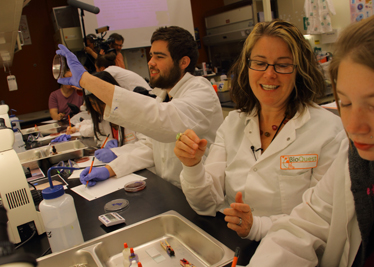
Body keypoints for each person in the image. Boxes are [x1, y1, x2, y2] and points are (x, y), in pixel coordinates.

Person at [247, 8, 374, 266]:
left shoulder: (331, 135)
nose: (353, 126)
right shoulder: (356, 163)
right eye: (346, 103)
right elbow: (304, 226)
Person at [174, 19, 346, 242]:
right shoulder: (233, 123)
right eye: (260, 63)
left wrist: (257, 227)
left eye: (282, 65)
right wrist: (192, 166)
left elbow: (322, 219)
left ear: (299, 70)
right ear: (247, 67)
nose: (269, 74)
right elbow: (206, 205)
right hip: (235, 245)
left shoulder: (328, 132)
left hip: (296, 251)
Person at [56, 26, 224, 188]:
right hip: (171, 192)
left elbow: (164, 120)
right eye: (151, 56)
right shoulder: (163, 96)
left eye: (159, 57)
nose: (150, 62)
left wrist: (86, 80)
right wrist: (110, 169)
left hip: (204, 195)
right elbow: (150, 147)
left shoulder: (201, 90)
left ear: (183, 62)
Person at [67, 71, 143, 152]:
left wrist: (117, 153)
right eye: (93, 103)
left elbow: (147, 146)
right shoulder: (102, 117)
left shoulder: (134, 114)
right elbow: (99, 134)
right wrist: (107, 141)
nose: (97, 108)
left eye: (100, 102)